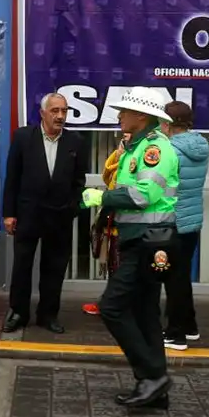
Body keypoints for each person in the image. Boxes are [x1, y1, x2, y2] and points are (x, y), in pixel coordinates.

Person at [79, 87, 179, 409]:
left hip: (149, 240)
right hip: (140, 237)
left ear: (141, 116)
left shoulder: (155, 149)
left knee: (112, 306)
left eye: (124, 111)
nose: (119, 115)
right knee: (145, 311)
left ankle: (152, 375)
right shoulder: (133, 148)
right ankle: (153, 388)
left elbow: (142, 195)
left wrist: (101, 197)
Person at [2, 93, 88, 334]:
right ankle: (18, 312)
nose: (60, 116)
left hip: (59, 216)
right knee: (22, 266)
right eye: (55, 111)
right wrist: (9, 214)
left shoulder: (76, 141)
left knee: (55, 267)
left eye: (64, 111)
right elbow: (13, 178)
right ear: (42, 113)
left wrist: (71, 208)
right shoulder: (23, 137)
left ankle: (48, 315)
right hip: (28, 214)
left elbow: (78, 181)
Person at [160, 100, 209, 351]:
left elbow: (163, 187)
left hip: (174, 220)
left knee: (174, 279)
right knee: (181, 276)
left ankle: (175, 334)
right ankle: (189, 327)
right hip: (192, 220)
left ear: (169, 124)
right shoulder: (200, 145)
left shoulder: (170, 151)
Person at [84, 132, 130, 316]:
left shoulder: (145, 155)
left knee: (124, 268)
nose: (125, 139)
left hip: (130, 223)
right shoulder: (122, 155)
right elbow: (107, 178)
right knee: (113, 265)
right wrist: (119, 156)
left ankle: (119, 306)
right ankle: (110, 302)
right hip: (113, 219)